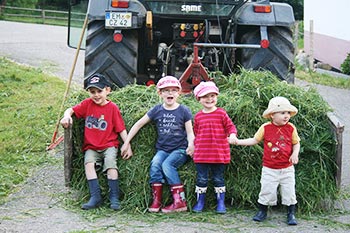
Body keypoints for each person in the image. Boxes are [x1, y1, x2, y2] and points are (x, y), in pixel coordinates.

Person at [121, 76, 195, 213]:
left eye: (173, 90)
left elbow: (190, 132)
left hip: (180, 149)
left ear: (179, 93)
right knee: (155, 164)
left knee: (167, 165)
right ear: (159, 93)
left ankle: (180, 201)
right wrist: (126, 142)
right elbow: (138, 124)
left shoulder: (184, 110)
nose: (170, 93)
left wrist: (191, 144)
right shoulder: (157, 110)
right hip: (163, 149)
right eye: (166, 90)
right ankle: (157, 200)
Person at [60, 73, 132, 210]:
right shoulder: (87, 105)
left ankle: (114, 196)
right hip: (91, 147)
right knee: (88, 164)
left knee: (111, 165)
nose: (96, 95)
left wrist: (127, 145)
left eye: (99, 91)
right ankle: (95, 196)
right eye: (92, 92)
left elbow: (121, 129)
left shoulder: (112, 108)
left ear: (107, 90)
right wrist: (66, 116)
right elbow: (71, 110)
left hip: (109, 145)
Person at [234, 96, 300, 225]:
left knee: (289, 191)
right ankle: (262, 211)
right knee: (267, 189)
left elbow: (296, 143)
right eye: (282, 113)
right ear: (272, 115)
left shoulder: (291, 128)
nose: (286, 116)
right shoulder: (265, 128)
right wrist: (238, 142)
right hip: (270, 168)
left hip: (287, 168)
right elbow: (254, 140)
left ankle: (290, 213)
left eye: (288, 113)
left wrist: (295, 154)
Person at [191, 81, 238, 214]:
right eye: (205, 96)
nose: (209, 99)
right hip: (202, 154)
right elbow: (195, 133)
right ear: (199, 99)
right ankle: (200, 202)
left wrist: (233, 135)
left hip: (218, 153)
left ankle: (221, 203)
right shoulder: (198, 116)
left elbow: (230, 127)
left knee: (218, 178)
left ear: (216, 97)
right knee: (201, 179)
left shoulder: (221, 114)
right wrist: (192, 146)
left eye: (212, 96)